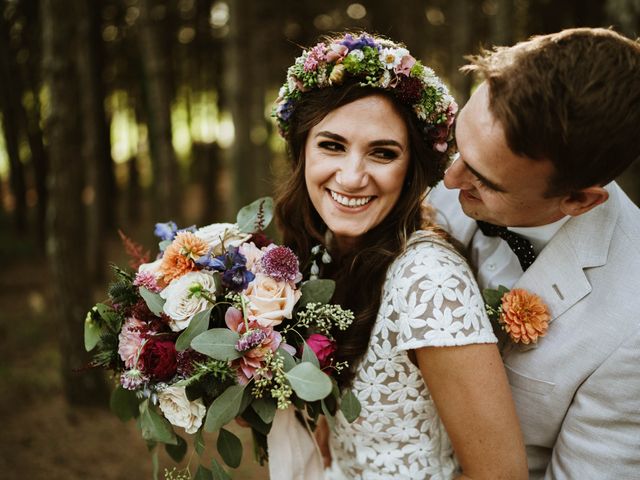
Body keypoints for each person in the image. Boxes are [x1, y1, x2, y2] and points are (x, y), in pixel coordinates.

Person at [272, 32, 528, 479]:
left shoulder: (431, 283)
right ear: (302, 152)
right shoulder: (325, 252)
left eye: (383, 153)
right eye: (331, 145)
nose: (351, 178)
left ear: (411, 169)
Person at [428, 27, 640, 478]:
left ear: (578, 200)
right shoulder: (443, 168)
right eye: (458, 144)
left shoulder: (631, 323)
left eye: (483, 180)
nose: (448, 180)